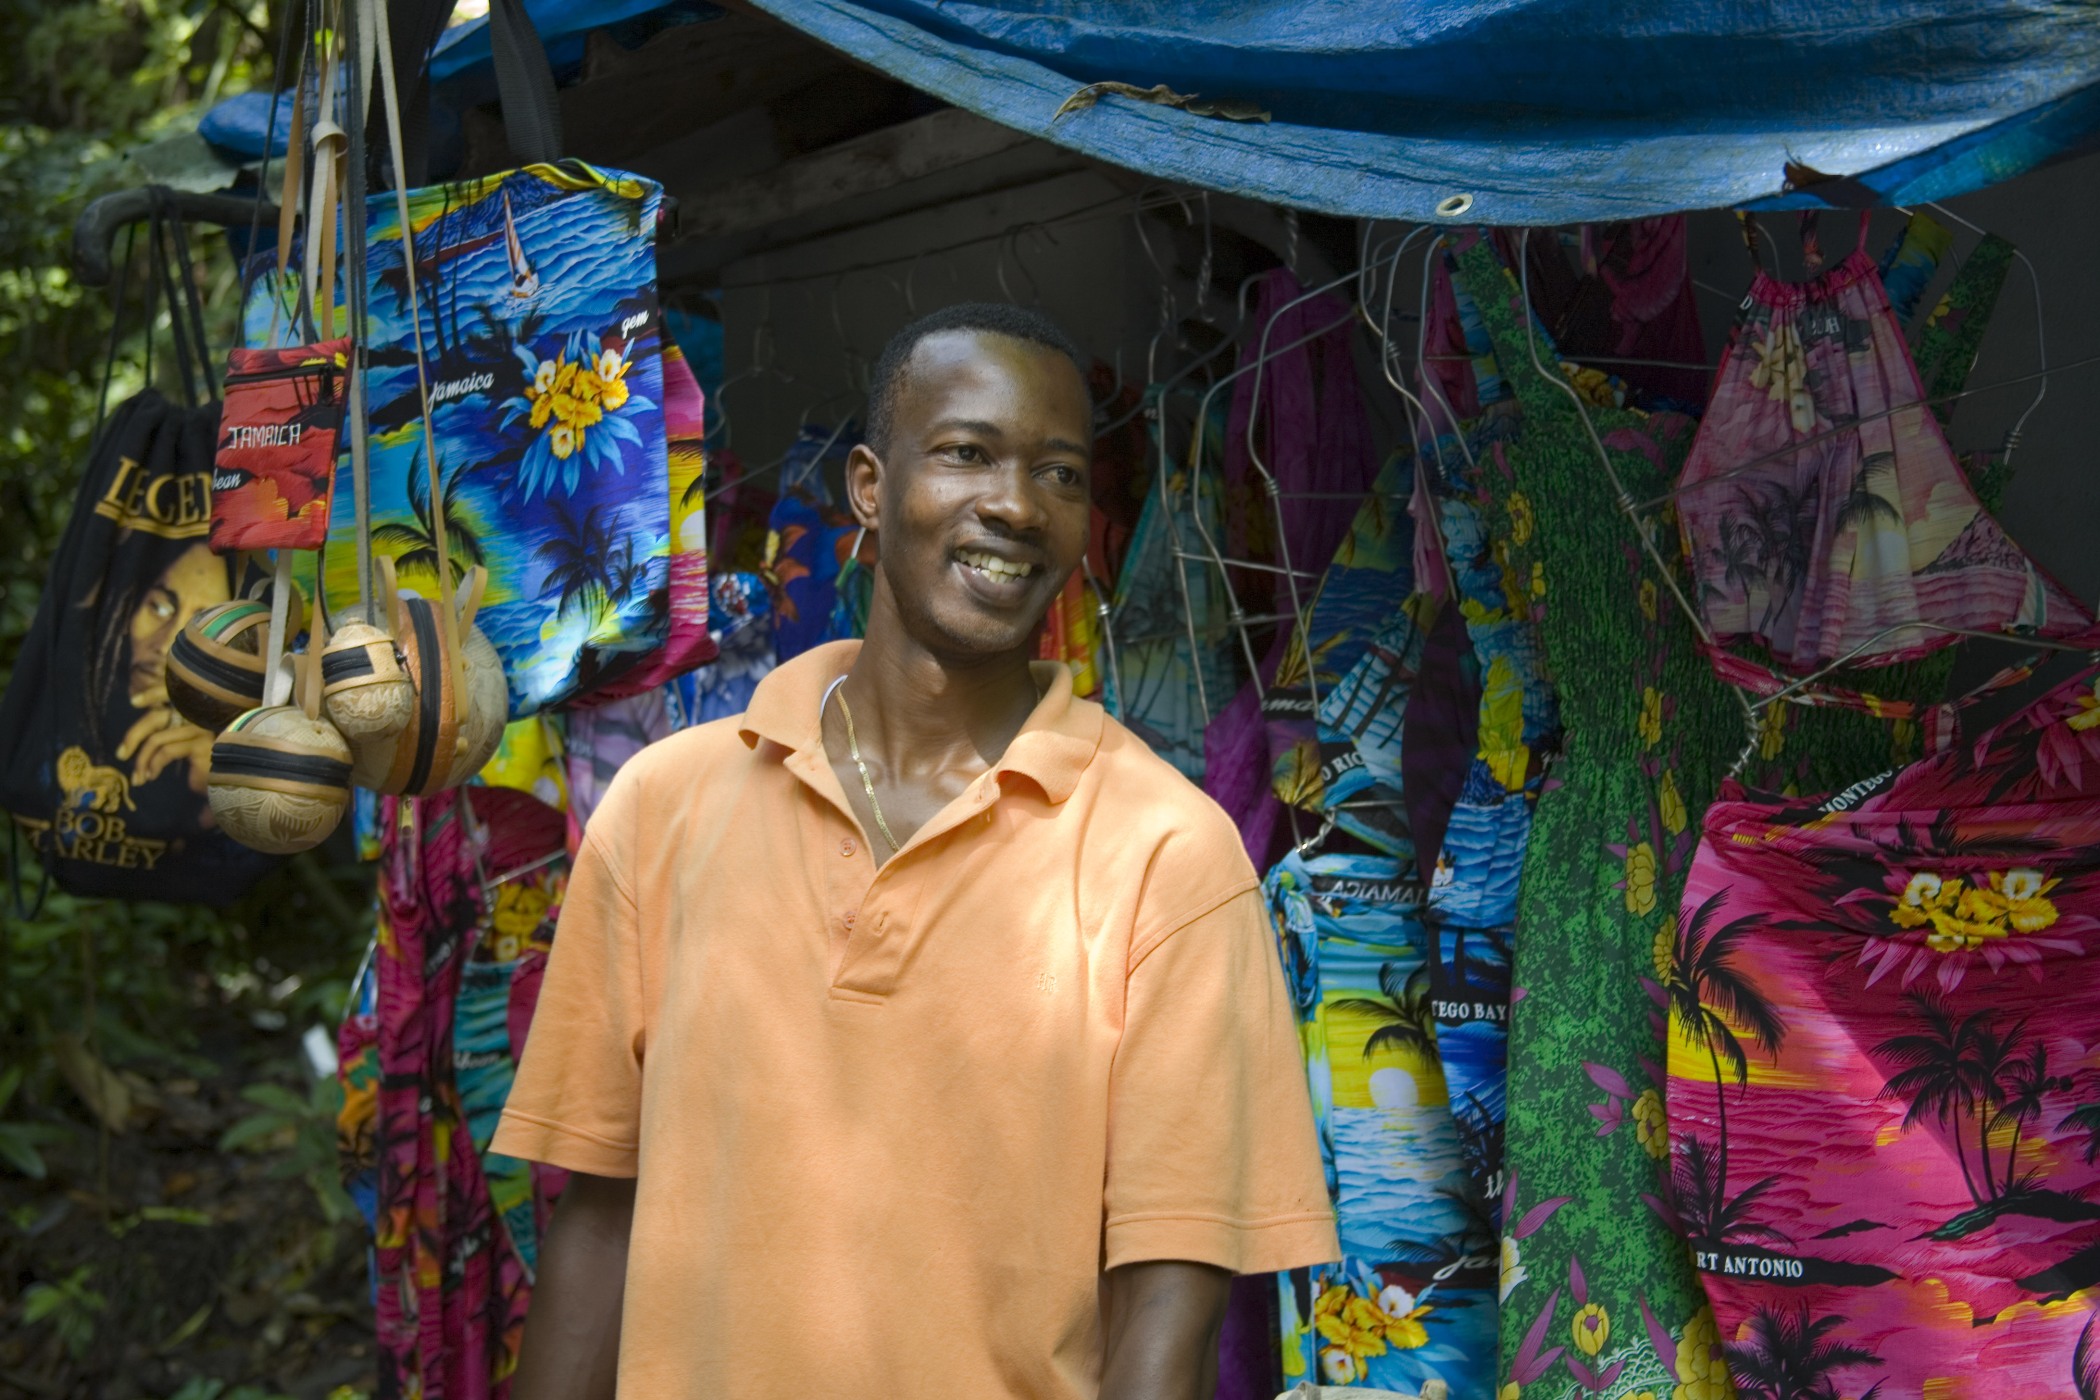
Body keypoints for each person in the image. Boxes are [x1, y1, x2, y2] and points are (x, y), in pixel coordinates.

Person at [495, 302, 1336, 1400]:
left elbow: (1167, 1309)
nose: (1017, 504)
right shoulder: (667, 805)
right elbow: (599, 1215)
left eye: (1063, 474)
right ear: (869, 487)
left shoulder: (1165, 853)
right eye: (966, 452)